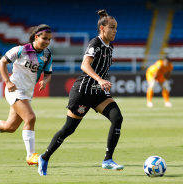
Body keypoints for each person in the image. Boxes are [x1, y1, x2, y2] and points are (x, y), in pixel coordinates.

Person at [37, 9, 124, 176]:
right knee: (69, 129)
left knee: (117, 118)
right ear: (102, 28)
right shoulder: (95, 43)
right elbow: (84, 66)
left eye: (116, 28)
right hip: (83, 91)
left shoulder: (110, 47)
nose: (115, 31)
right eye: (112, 27)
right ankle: (45, 157)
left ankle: (107, 160)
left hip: (98, 92)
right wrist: (100, 80)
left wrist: (101, 83)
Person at [0, 24, 53, 165]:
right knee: (30, 118)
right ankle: (31, 156)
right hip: (15, 89)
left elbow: (49, 74)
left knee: (10, 127)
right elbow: (2, 62)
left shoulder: (47, 55)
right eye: (44, 38)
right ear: (36, 36)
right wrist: (7, 81)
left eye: (49, 39)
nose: (47, 42)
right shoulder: (21, 50)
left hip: (27, 93)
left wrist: (45, 80)